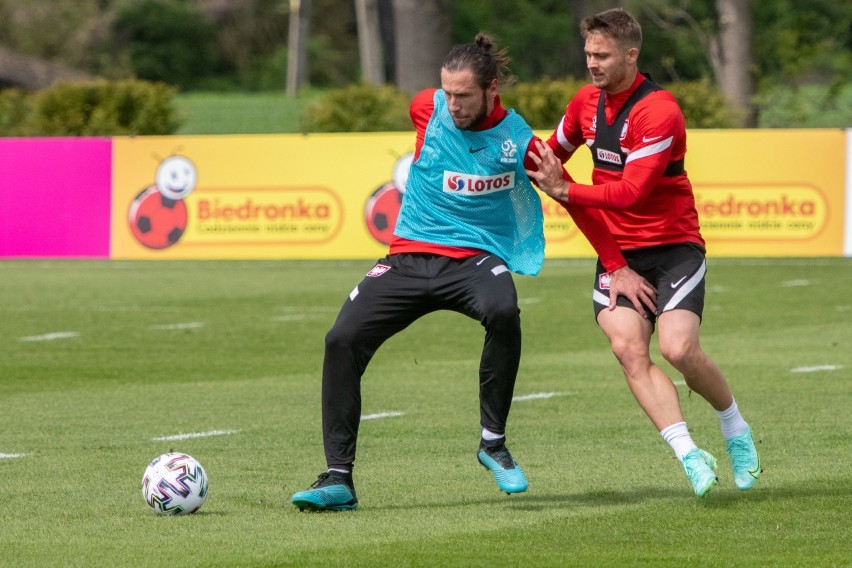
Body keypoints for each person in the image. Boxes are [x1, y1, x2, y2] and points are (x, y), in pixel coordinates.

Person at [291, 33, 650, 512]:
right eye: (447, 93)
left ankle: (492, 443)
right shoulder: (427, 108)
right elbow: (431, 119)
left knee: (504, 309)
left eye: (463, 95)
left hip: (476, 258)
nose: (452, 105)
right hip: (408, 256)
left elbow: (566, 194)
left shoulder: (518, 141)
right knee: (340, 339)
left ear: (491, 89)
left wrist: (617, 265)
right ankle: (338, 478)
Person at [526, 8, 761, 498]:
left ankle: (735, 429)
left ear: (631, 55)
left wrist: (565, 191)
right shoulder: (584, 105)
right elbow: (549, 157)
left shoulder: (659, 111)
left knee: (678, 349)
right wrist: (501, 153)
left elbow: (632, 192)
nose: (591, 63)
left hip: (674, 246)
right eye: (588, 53)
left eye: (602, 55)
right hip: (618, 254)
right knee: (627, 349)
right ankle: (690, 456)